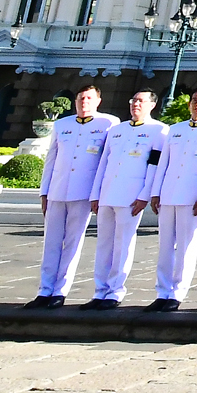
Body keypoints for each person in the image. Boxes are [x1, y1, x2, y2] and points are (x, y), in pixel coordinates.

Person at [28, 84, 117, 309]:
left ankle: (60, 290)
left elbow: (106, 161)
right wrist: (44, 192)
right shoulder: (62, 125)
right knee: (51, 242)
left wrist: (98, 193)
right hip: (58, 190)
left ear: (98, 101)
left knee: (73, 243)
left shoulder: (108, 124)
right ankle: (44, 289)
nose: (84, 102)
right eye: (80, 98)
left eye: (88, 98)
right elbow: (51, 161)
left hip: (83, 192)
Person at [86, 89, 166, 309]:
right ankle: (100, 290)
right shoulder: (117, 130)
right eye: (133, 101)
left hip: (131, 196)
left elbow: (154, 166)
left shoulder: (159, 131)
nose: (135, 105)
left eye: (141, 101)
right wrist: (96, 194)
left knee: (123, 243)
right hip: (107, 194)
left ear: (152, 105)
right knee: (103, 244)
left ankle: (115, 291)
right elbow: (103, 164)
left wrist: (144, 195)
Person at [145, 88, 197, 311]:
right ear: (189, 104)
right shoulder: (174, 131)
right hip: (169, 193)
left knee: (186, 246)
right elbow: (163, 164)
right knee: (165, 245)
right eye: (195, 100)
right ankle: (162, 291)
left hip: (192, 196)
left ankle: (178, 292)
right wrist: (156, 191)